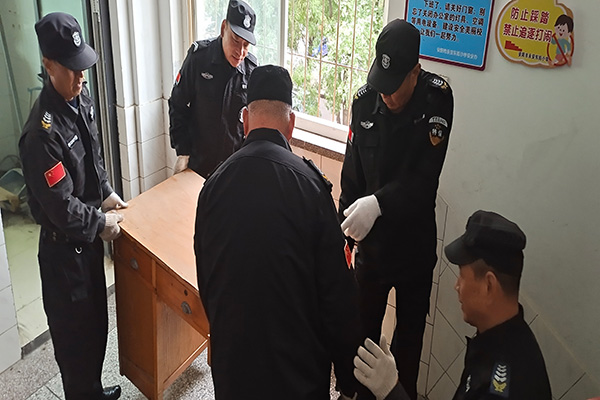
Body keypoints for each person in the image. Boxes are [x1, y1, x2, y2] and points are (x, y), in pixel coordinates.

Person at [195, 65, 362, 399]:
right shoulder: (312, 189)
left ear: (245, 120)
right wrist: (348, 380)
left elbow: (208, 282)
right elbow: (338, 299)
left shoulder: (213, 187)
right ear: (291, 124)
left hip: (233, 371)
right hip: (296, 377)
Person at [338, 19, 453, 400]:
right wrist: (344, 234)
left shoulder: (438, 99)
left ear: (415, 72)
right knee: (362, 337)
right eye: (381, 84)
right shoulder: (364, 101)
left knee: (408, 347)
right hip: (372, 249)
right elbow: (352, 174)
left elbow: (425, 179)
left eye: (394, 85)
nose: (386, 94)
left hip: (414, 249)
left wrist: (379, 203)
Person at [19, 12, 126, 400]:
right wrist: (100, 222)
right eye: (72, 69)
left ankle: (93, 392)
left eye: (83, 68)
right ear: (48, 64)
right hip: (64, 258)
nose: (81, 78)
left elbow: (92, 158)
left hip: (87, 247)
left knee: (96, 330)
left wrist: (106, 191)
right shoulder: (41, 134)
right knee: (75, 346)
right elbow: (60, 206)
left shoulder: (80, 100)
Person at [353, 210, 552, 400]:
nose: (456, 286)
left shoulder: (504, 387)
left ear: (488, 285)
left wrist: (391, 390)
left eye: (462, 276)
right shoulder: (500, 339)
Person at [169, 0, 258, 177]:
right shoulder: (198, 59)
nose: (240, 51)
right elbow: (178, 104)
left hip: (233, 169)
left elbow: (253, 124)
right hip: (198, 163)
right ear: (223, 28)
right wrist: (183, 151)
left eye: (246, 45)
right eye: (236, 40)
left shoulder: (251, 70)